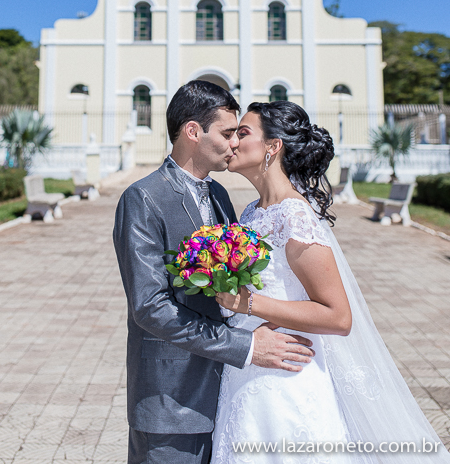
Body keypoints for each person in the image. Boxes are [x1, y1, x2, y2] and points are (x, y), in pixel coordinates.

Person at [212, 101, 450, 463]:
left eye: (242, 133)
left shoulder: (294, 215)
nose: (232, 142)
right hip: (248, 370)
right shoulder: (251, 212)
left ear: (273, 147)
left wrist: (247, 304)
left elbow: (338, 317)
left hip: (286, 383)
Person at [113, 81, 315, 464]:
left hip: (227, 392)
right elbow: (150, 307)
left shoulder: (221, 195)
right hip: (170, 400)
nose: (234, 143)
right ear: (193, 132)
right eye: (226, 133)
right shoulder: (143, 198)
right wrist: (248, 347)